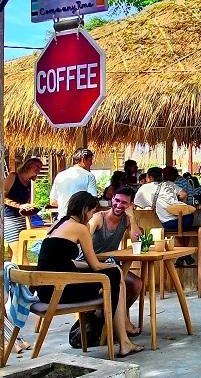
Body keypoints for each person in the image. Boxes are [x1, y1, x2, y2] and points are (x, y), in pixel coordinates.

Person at [36, 191, 144, 357]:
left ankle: (123, 338)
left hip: (46, 288)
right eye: (91, 211)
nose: (92, 215)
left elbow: (59, 260)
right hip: (60, 290)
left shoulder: (58, 224)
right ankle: (123, 340)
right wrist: (113, 268)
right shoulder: (80, 228)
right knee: (115, 276)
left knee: (114, 277)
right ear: (85, 209)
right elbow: (95, 265)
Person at [86, 186, 143, 337]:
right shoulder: (99, 217)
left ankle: (115, 318)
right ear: (112, 199)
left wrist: (132, 217)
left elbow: (137, 240)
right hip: (89, 264)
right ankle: (122, 323)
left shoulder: (126, 219)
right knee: (120, 281)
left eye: (124, 203)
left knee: (136, 284)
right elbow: (85, 237)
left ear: (130, 205)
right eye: (116, 200)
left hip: (108, 264)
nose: (119, 205)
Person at [135, 167, 195, 265]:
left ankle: (184, 255)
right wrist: (176, 204)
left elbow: (137, 204)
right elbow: (184, 194)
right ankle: (185, 254)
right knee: (183, 229)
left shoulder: (144, 188)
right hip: (187, 219)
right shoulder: (169, 184)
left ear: (149, 177)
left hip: (169, 223)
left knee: (177, 230)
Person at [4, 157, 43, 261]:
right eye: (37, 166)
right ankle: (23, 274)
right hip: (9, 218)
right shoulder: (13, 176)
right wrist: (19, 205)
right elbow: (1, 197)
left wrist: (29, 208)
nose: (38, 170)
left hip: (21, 218)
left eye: (40, 168)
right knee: (19, 253)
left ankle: (12, 275)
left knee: (21, 251)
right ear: (28, 165)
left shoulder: (29, 182)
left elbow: (27, 202)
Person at [50, 149, 98, 220]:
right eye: (90, 160)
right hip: (79, 220)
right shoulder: (89, 176)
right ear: (83, 160)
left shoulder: (60, 175)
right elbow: (93, 201)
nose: (91, 163)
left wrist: (65, 205)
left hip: (61, 220)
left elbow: (53, 202)